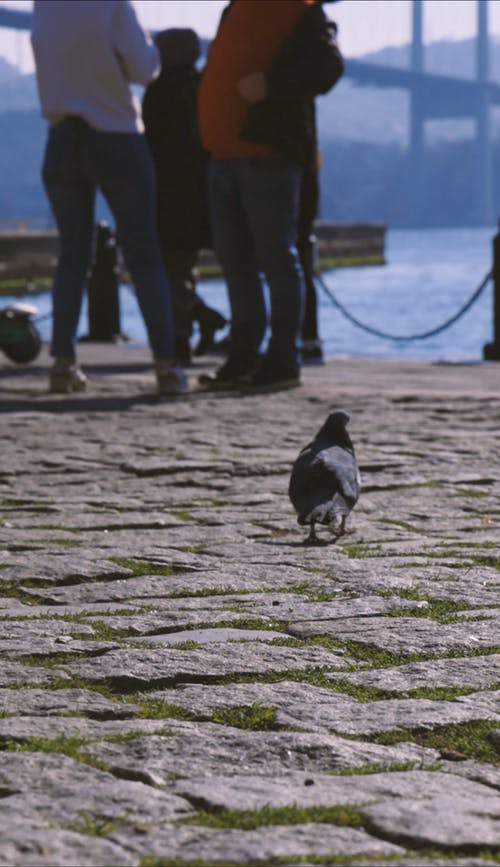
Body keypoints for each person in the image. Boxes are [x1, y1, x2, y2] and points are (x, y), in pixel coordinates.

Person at [31, 0, 187, 396]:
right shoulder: (112, 3)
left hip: (62, 137)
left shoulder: (44, 5)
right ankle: (166, 367)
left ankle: (62, 365)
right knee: (144, 256)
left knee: (72, 257)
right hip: (115, 136)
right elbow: (144, 69)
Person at [197, 0, 343, 392]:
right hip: (223, 155)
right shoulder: (234, 9)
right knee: (235, 262)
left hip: (267, 156)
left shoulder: (301, 9)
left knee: (277, 259)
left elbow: (329, 67)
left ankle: (282, 361)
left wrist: (271, 85)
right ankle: (244, 357)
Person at [142, 27, 227, 366]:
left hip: (166, 193)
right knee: (181, 266)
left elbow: (149, 144)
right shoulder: (204, 88)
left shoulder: (158, 92)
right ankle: (195, 324)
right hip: (201, 193)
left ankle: (183, 334)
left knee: (165, 267)